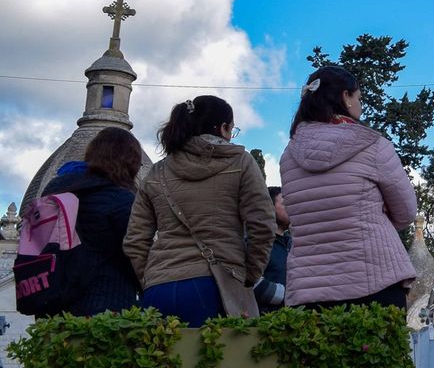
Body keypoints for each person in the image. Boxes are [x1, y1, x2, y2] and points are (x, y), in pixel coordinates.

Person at [125, 95, 276, 326]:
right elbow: (262, 224)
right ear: (224, 128)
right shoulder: (241, 163)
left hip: (159, 286)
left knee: (160, 361)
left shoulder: (157, 172)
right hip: (218, 284)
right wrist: (250, 274)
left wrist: (151, 278)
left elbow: (135, 239)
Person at [279, 65, 417, 309]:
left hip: (312, 289)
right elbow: (406, 212)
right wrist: (373, 216)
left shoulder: (289, 156)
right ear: (345, 96)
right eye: (359, 98)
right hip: (375, 280)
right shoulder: (373, 145)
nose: (360, 105)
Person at [38, 128, 146, 315]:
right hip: (105, 305)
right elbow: (135, 252)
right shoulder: (120, 198)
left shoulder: (54, 189)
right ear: (131, 162)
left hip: (52, 303)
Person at [253, 186, 292, 310]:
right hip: (268, 322)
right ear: (269, 207)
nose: (291, 208)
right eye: (285, 204)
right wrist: (292, 295)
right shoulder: (257, 242)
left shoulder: (292, 243)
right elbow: (251, 281)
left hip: (296, 320)